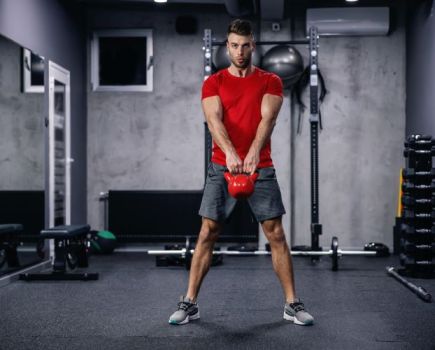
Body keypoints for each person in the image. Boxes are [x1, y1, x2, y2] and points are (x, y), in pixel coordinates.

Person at [169, 19, 314, 326]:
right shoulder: (214, 82)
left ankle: (292, 304)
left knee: (276, 233)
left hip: (260, 166)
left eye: (245, 45)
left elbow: (268, 120)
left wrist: (251, 154)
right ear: (227, 46)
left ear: (253, 45)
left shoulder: (270, 81)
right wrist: (233, 153)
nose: (239, 51)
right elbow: (214, 121)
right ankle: (189, 302)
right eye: (234, 45)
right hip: (222, 165)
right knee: (208, 231)